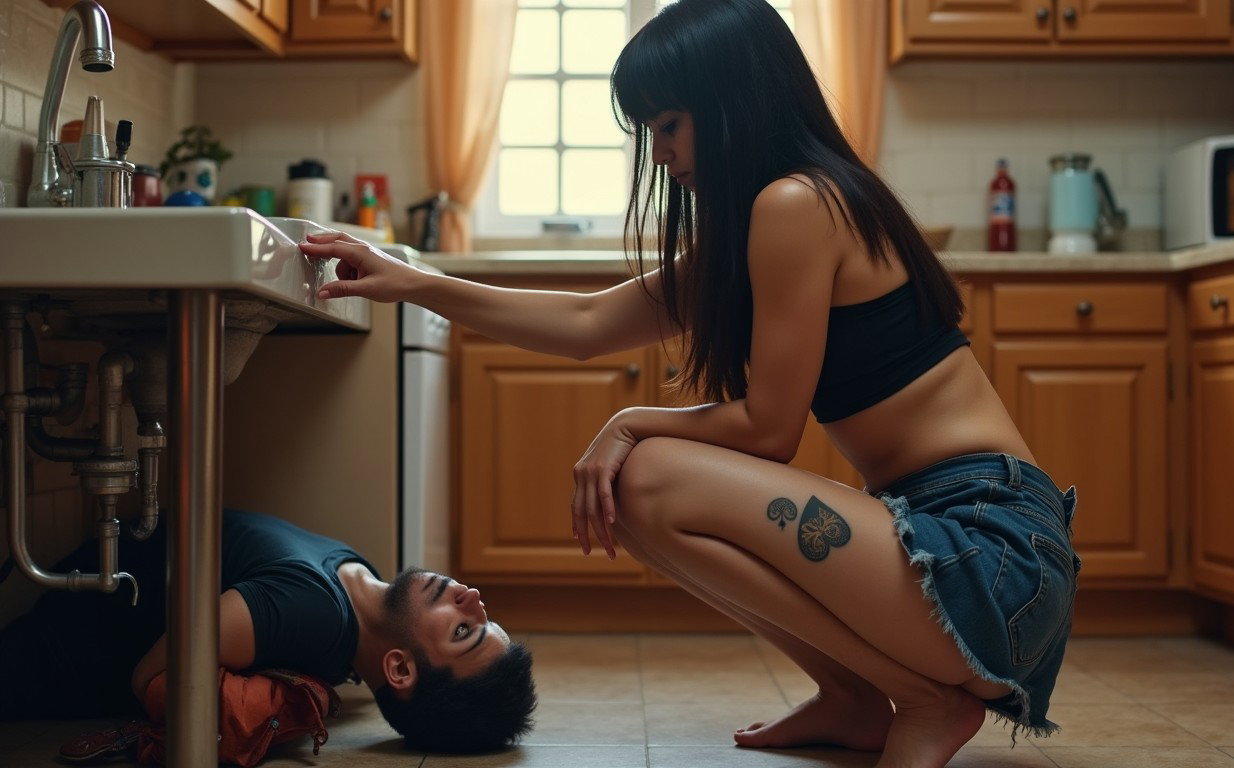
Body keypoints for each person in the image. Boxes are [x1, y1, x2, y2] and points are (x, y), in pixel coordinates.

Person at [300, 1, 1082, 764]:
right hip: (968, 564)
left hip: (993, 557)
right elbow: (587, 324)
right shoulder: (772, 219)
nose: (659, 153)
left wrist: (628, 422)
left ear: (736, 102)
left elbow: (770, 431)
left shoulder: (798, 204)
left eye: (669, 124)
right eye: (649, 130)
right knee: (636, 489)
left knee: (642, 475)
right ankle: (852, 699)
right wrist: (411, 280)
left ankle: (920, 699)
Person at [0, 508, 537, 755]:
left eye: (463, 630)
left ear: (399, 667)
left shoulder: (314, 612)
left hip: (59, 655)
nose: (473, 598)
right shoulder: (356, 592)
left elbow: (150, 677)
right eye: (485, 617)